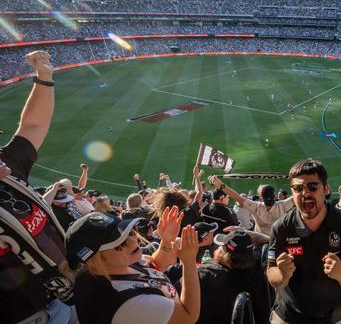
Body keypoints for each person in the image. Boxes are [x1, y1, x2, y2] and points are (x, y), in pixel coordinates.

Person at [0, 51, 78, 324]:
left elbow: (32, 126)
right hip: (27, 315)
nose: (4, 165)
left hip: (66, 290)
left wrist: (44, 78)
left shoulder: (7, 174)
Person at [66, 207, 201, 324]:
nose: (133, 242)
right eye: (120, 244)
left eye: (130, 232)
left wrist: (166, 241)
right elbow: (188, 316)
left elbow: (154, 265)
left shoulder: (118, 264)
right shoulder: (124, 302)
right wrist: (188, 262)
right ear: (96, 260)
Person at [266, 159, 341, 323]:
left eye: (312, 186)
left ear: (325, 189)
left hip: (338, 315)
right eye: (298, 188)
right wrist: (281, 275)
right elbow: (271, 273)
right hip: (290, 315)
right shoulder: (280, 228)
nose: (306, 193)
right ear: (292, 193)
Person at [165, 229, 272, 324]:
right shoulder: (261, 270)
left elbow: (172, 299)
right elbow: (272, 242)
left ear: (223, 249)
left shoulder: (202, 274)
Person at [210, 179, 293, 235]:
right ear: (274, 196)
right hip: (278, 240)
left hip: (260, 241)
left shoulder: (255, 206)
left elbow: (236, 196)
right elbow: (297, 196)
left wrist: (221, 185)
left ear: (261, 197)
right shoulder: (283, 205)